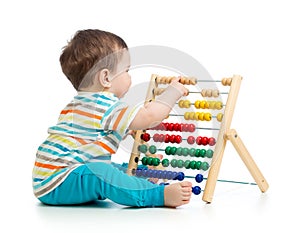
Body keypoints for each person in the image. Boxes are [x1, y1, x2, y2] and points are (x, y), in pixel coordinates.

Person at [32, 29, 192, 208]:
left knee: (117, 169)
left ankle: (141, 176)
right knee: (102, 172)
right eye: (126, 70)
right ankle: (157, 195)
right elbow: (149, 116)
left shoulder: (80, 104)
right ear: (106, 77)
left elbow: (93, 136)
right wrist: (172, 93)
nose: (129, 76)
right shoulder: (105, 105)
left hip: (50, 178)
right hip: (59, 181)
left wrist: (124, 130)